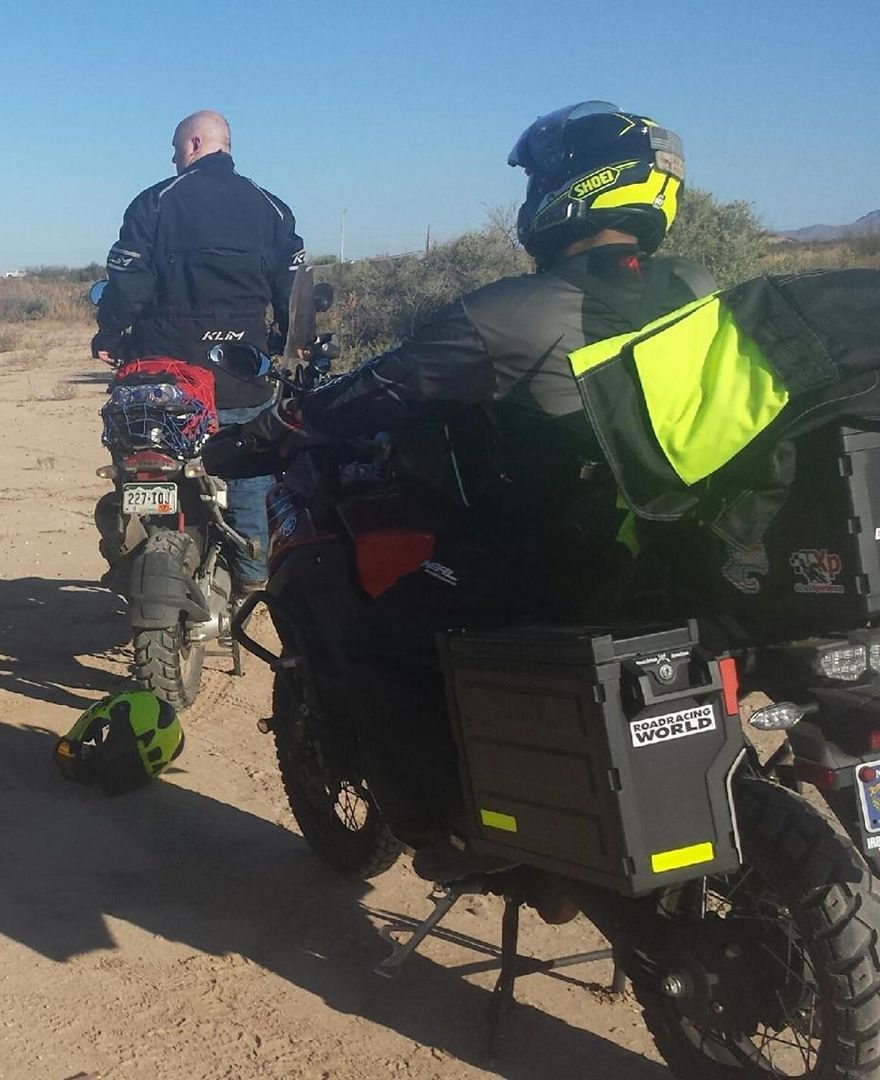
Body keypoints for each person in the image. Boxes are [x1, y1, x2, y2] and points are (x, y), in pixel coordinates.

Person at [215, 102, 712, 876]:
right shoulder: (698, 290)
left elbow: (383, 388)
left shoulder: (520, 310)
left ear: (569, 190)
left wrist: (275, 430)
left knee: (380, 634)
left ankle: (450, 830)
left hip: (560, 558)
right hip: (685, 550)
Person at [92, 109, 306, 589]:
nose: (173, 161)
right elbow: (293, 288)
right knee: (250, 468)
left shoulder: (155, 203)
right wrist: (290, 344)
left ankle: (133, 555)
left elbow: (127, 283)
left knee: (138, 462)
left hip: (164, 381)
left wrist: (109, 335)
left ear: (191, 145)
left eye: (174, 152)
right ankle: (253, 575)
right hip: (239, 378)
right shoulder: (270, 207)